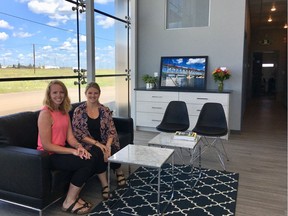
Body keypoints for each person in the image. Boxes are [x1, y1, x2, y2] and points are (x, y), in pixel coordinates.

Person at [37, 80, 94, 215]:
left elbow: (70, 138)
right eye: (55, 92)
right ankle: (68, 202)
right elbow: (46, 145)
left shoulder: (64, 112)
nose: (59, 95)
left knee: (88, 157)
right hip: (47, 156)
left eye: (61, 92)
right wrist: (72, 151)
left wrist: (79, 147)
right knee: (85, 162)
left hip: (60, 152)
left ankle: (74, 197)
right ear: (49, 95)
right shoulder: (45, 114)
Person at [72, 82, 126, 200]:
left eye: (95, 93)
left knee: (113, 150)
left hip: (106, 140)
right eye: (90, 93)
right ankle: (105, 185)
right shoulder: (78, 111)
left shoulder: (104, 110)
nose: (93, 95)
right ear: (85, 94)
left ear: (99, 94)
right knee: (98, 152)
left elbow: (111, 130)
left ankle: (119, 171)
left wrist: (108, 146)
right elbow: (78, 133)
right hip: (88, 143)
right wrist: (98, 144)